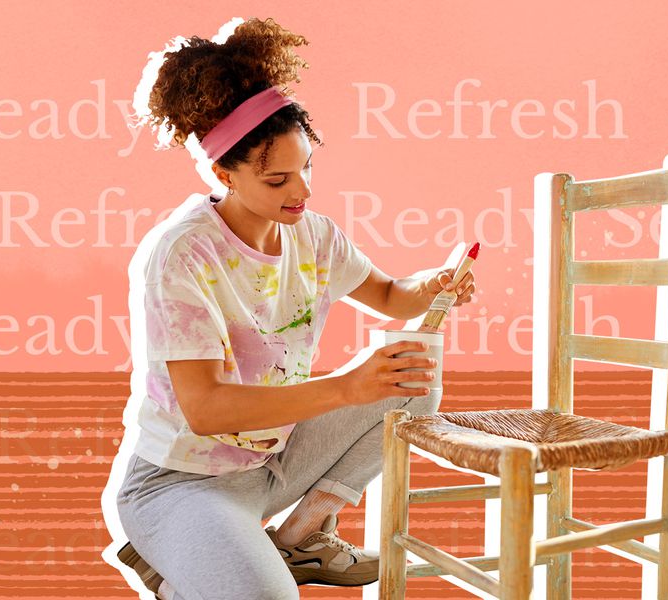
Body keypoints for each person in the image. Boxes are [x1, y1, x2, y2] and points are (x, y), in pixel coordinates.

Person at [110, 17, 477, 600]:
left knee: (412, 376)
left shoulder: (314, 236)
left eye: (306, 167)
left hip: (273, 463)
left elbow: (387, 295)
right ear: (224, 173)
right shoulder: (181, 254)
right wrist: (346, 388)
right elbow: (205, 409)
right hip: (180, 483)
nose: (301, 192)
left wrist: (432, 285)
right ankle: (189, 556)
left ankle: (302, 536)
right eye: (278, 179)